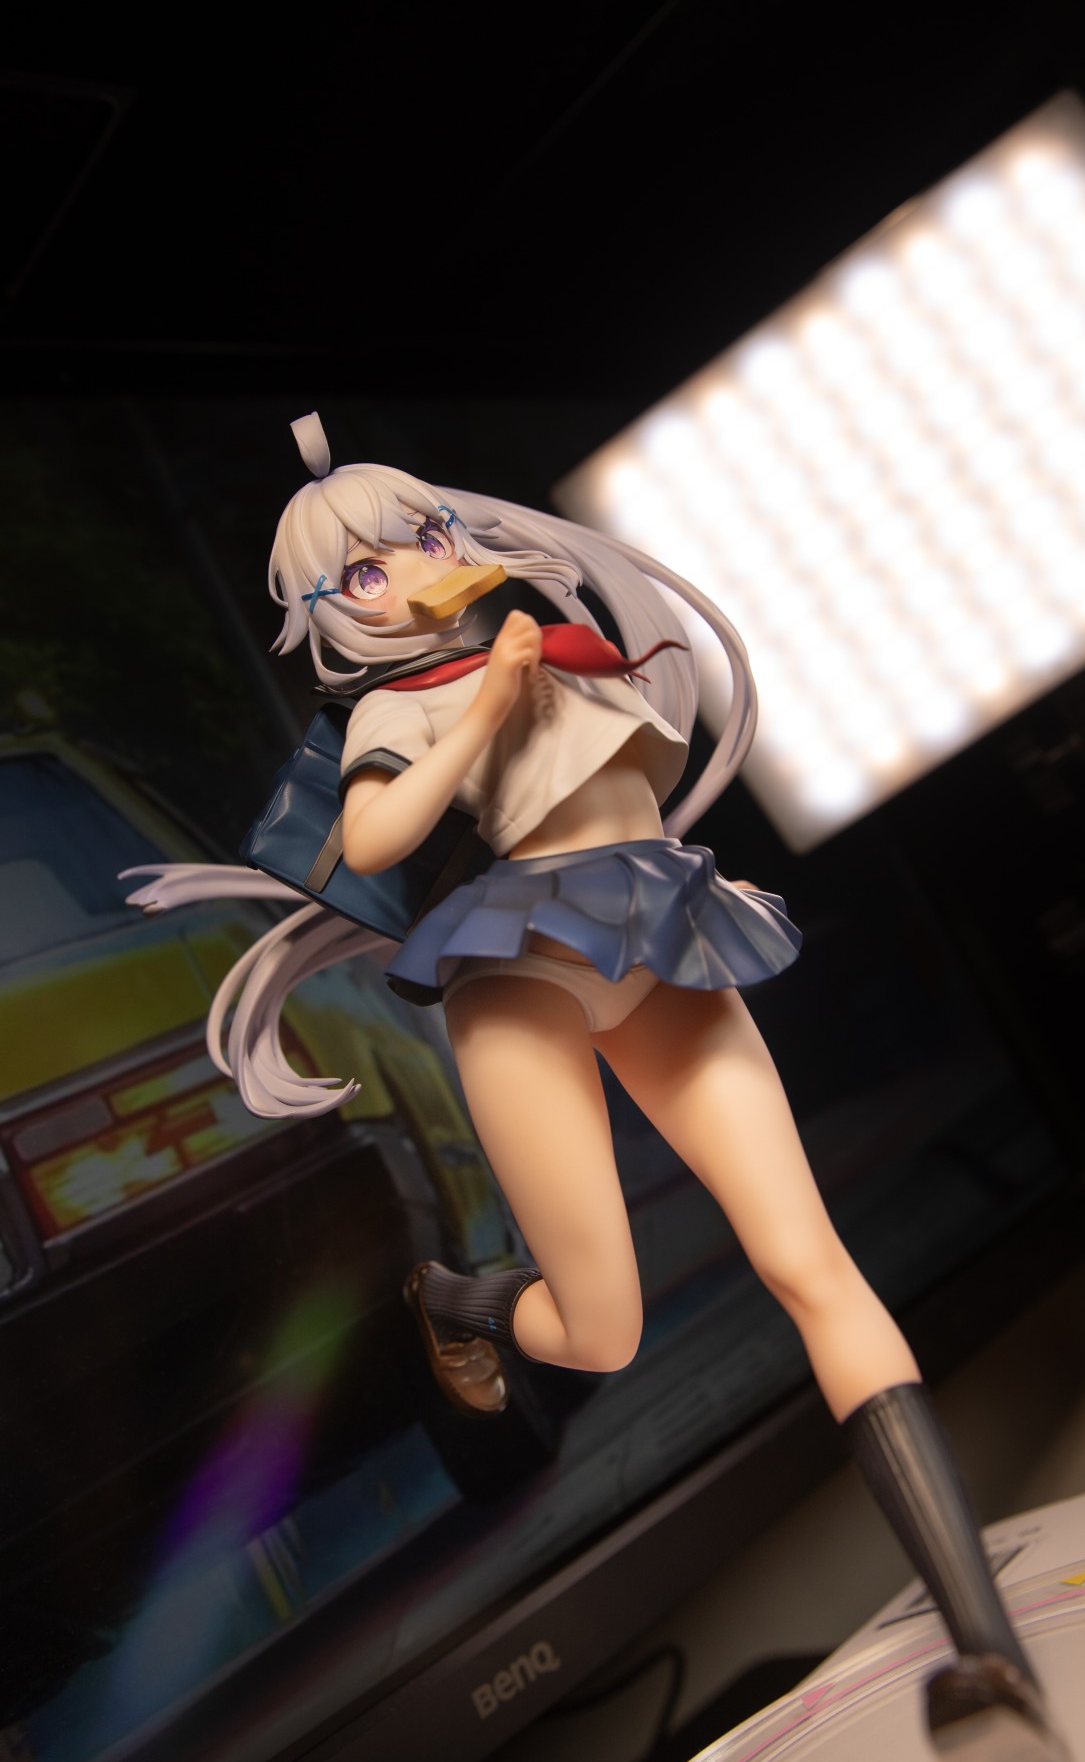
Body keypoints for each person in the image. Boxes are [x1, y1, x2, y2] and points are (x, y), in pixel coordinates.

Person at [130, 413, 1033, 1691]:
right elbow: (374, 840)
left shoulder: (553, 636)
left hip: (653, 926)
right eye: (366, 570)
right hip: (525, 973)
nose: (411, 568)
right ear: (331, 611)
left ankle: (983, 1643)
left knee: (813, 1265)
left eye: (422, 533)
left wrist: (538, 669)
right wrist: (485, 707)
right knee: (600, 1332)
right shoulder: (399, 702)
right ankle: (464, 1300)